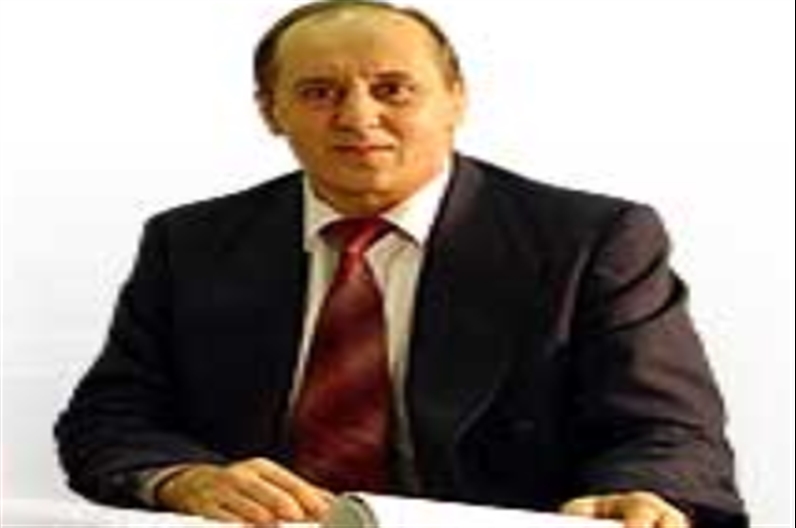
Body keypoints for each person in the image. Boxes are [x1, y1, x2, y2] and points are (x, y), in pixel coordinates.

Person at [55, 1, 747, 527]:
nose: (358, 117)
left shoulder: (592, 240)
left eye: (393, 88)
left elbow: (669, 431)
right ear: (271, 111)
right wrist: (181, 478)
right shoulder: (191, 242)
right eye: (319, 92)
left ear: (456, 99)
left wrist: (642, 492)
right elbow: (110, 418)